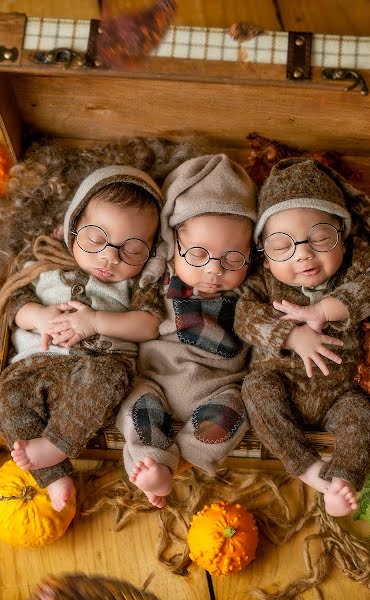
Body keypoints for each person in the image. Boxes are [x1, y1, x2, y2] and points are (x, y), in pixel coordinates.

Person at [0, 165, 163, 511]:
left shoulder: (138, 282)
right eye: (97, 239)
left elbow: (149, 326)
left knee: (111, 377)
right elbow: (12, 306)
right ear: (70, 227)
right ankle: (54, 476)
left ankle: (57, 444)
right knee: (5, 400)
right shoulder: (45, 263)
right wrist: (39, 316)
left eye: (131, 250)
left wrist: (96, 321)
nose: (110, 257)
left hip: (96, 368)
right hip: (34, 365)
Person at [234, 158, 370, 516]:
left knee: (362, 419)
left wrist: (322, 311)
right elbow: (245, 318)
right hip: (280, 383)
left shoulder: (352, 273)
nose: (303, 253)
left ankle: (345, 479)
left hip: (338, 393)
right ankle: (307, 468)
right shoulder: (265, 284)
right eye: (282, 246)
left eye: (320, 238)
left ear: (343, 236)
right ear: (264, 255)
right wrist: (291, 336)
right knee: (255, 391)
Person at [114, 154, 258, 508]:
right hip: (157, 378)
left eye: (232, 259)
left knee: (238, 410)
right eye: (198, 254)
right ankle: (153, 461)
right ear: (173, 245)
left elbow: (265, 324)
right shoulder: (158, 278)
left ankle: (177, 462)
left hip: (218, 386)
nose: (214, 270)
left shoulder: (251, 291)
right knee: (136, 407)